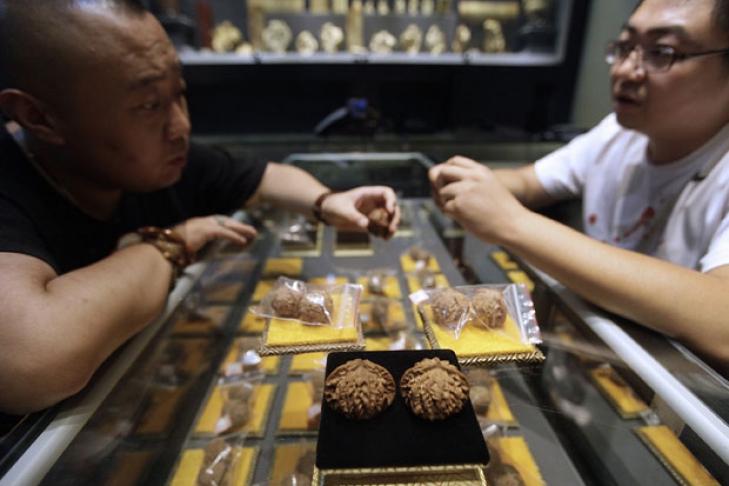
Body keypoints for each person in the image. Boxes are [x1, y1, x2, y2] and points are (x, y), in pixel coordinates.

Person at [0, 0, 400, 415]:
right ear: (39, 117)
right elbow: (33, 362)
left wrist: (326, 202)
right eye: (148, 105)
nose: (181, 126)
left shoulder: (161, 159)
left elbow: (265, 177)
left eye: (179, 93)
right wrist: (173, 242)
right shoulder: (12, 185)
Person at [430, 0, 729, 374]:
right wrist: (468, 183)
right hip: (600, 363)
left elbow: (722, 323)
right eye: (625, 47)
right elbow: (528, 182)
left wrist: (510, 222)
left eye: (662, 52)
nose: (625, 70)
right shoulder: (617, 134)